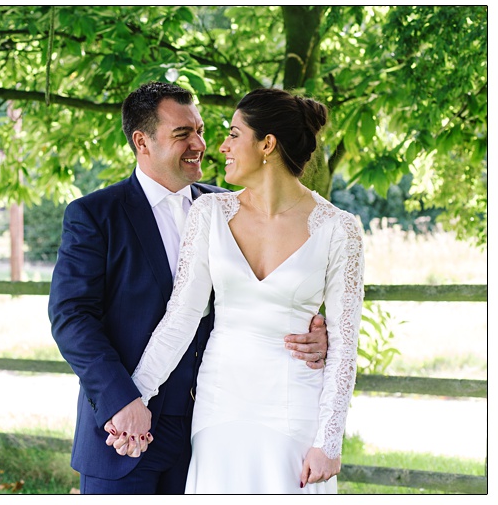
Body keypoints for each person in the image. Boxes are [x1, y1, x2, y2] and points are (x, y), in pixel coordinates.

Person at [48, 82, 329, 494]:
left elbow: (256, 297)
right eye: (183, 134)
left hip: (209, 430)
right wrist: (123, 401)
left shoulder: (227, 210)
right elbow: (71, 319)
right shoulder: (95, 215)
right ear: (142, 142)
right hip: (126, 432)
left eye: (199, 129)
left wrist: (315, 334)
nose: (200, 143)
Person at [127, 88, 362, 493]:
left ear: (267, 144)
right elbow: (181, 318)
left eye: (234, 134)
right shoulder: (209, 214)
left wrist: (329, 439)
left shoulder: (339, 229)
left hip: (294, 410)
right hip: (220, 406)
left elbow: (343, 345)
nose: (221, 146)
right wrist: (133, 397)